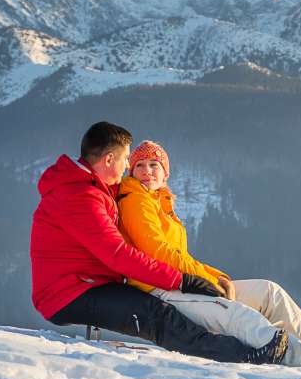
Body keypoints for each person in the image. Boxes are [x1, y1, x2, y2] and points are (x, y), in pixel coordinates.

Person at [30, 121, 287, 365]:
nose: (126, 169)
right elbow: (119, 255)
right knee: (156, 315)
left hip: (88, 282)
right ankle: (244, 356)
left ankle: (245, 349)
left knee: (157, 309)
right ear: (109, 159)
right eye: (125, 160)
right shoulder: (81, 197)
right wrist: (182, 280)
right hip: (68, 293)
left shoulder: (91, 187)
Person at [116, 140, 301, 371]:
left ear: (165, 173)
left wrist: (215, 276)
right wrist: (206, 281)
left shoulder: (160, 202)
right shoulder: (136, 199)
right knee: (237, 314)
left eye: (154, 164)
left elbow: (180, 256)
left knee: (270, 293)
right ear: (132, 171)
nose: (147, 171)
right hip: (159, 288)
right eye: (140, 165)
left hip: (181, 282)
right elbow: (157, 252)